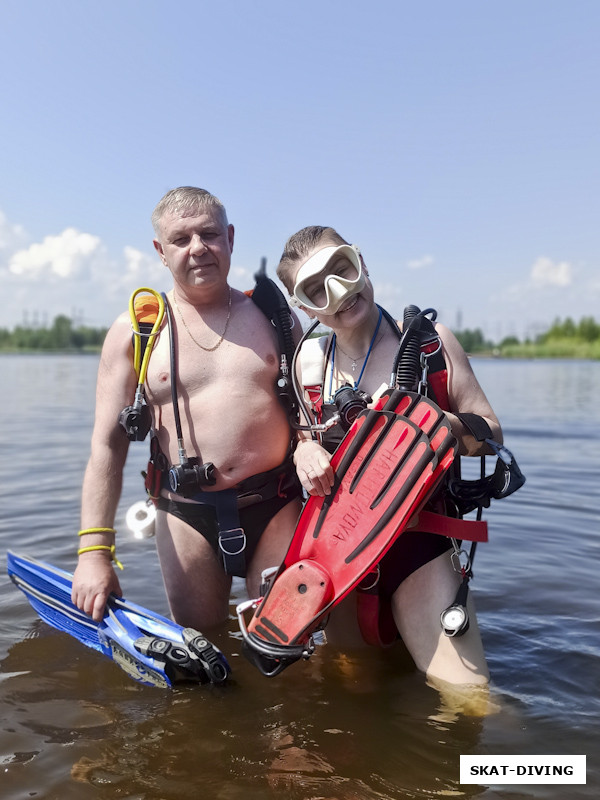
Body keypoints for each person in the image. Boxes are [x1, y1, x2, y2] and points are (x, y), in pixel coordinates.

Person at [276, 225, 502, 687]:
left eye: (342, 269)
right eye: (316, 290)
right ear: (303, 308)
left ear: (359, 260)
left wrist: (445, 427)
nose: (337, 292)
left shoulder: (428, 344)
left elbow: (491, 432)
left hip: (419, 545)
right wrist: (304, 452)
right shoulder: (308, 364)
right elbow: (303, 435)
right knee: (353, 694)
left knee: (469, 701)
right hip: (342, 555)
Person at [72, 187, 303, 630]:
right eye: (181, 239)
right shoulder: (137, 330)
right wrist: (94, 552)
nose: (198, 248)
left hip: (276, 505)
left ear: (230, 238)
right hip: (185, 512)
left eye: (210, 234)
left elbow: (310, 416)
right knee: (201, 651)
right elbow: (106, 446)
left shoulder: (275, 316)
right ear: (160, 251)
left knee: (288, 649)